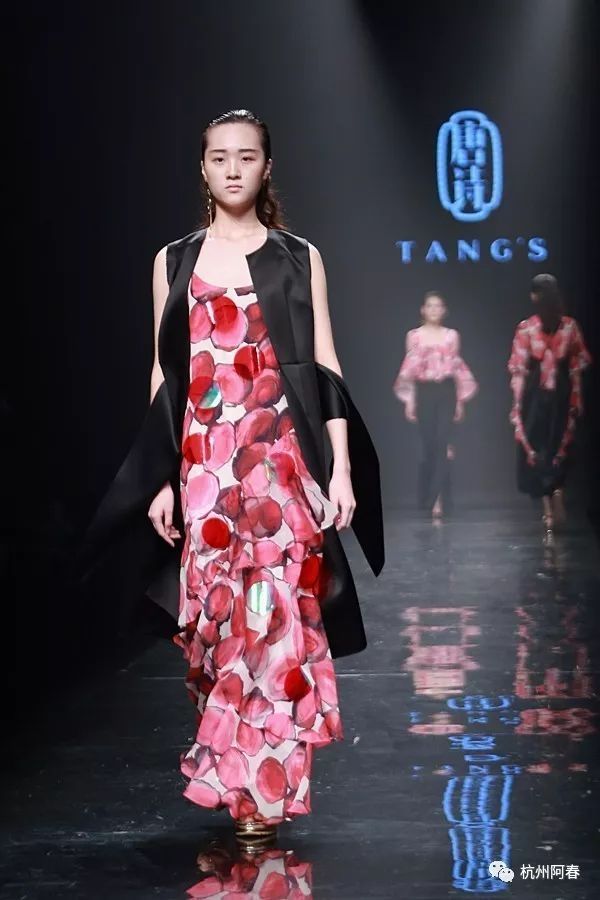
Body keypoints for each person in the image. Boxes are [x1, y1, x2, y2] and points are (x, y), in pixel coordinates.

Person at [79, 109, 384, 847]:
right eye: (220, 157)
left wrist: (341, 467)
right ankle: (237, 772)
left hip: (282, 470)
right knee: (216, 633)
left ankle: (262, 792)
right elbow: (164, 374)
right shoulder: (174, 261)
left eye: (247, 156)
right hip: (205, 473)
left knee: (274, 626)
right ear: (203, 169)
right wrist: (158, 476)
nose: (234, 169)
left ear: (266, 167)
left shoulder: (298, 257)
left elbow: (324, 363)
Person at [508, 273, 591, 537]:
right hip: (545, 392)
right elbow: (521, 369)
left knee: (549, 444)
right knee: (549, 444)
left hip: (550, 392)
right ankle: (554, 496)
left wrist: (516, 404)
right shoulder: (541, 327)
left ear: (535, 296)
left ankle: (550, 504)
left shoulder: (547, 327)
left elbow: (574, 365)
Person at [392, 292, 477, 520]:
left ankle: (436, 499)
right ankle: (438, 494)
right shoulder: (414, 336)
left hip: (446, 391)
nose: (433, 310)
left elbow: (457, 370)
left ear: (444, 310)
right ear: (423, 309)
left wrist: (460, 402)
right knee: (430, 444)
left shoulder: (451, 336)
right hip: (424, 391)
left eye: (438, 306)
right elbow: (410, 370)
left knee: (442, 440)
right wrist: (410, 401)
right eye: (430, 305)